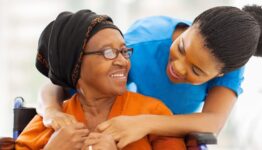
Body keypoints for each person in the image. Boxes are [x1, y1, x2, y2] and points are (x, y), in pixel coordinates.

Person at [37, 5, 262, 149]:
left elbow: (212, 123)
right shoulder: (141, 45)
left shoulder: (229, 65)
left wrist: (144, 122)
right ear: (191, 26)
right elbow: (57, 82)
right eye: (181, 48)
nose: (179, 68)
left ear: (220, 73)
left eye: (196, 71)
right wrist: (52, 111)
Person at [16, 10, 186, 150]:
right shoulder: (51, 121)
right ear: (76, 64)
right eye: (108, 53)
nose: (123, 61)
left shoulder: (153, 113)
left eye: (124, 51)